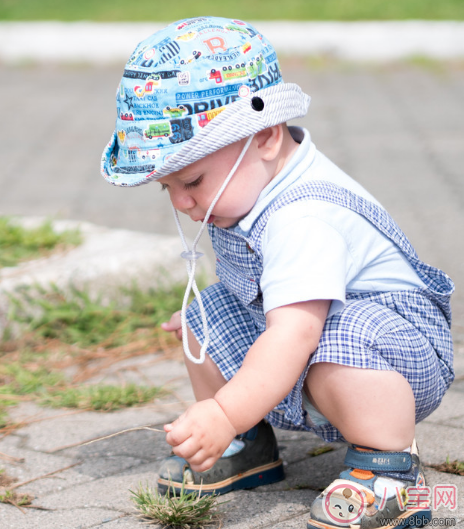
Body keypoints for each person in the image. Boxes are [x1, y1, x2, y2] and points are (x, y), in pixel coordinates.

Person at [100, 16, 454, 529]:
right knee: (206, 314)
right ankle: (248, 447)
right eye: (168, 188)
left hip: (396, 352)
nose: (182, 202)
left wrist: (223, 410)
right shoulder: (245, 192)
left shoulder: (304, 217)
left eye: (193, 180)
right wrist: (219, 318)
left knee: (338, 335)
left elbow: (294, 334)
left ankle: (389, 470)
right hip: (316, 332)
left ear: (264, 136)